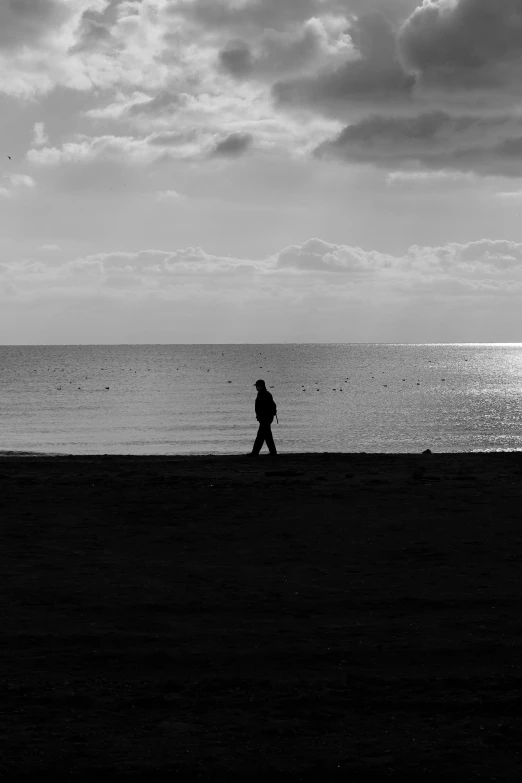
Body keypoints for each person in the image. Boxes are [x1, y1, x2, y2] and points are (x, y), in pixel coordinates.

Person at [250, 379, 277, 456]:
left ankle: (255, 452)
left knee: (261, 436)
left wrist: (261, 416)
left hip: (265, 418)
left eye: (257, 386)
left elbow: (262, 407)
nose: (256, 388)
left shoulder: (263, 394)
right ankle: (272, 452)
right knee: (267, 435)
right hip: (266, 418)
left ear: (260, 386)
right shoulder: (265, 394)